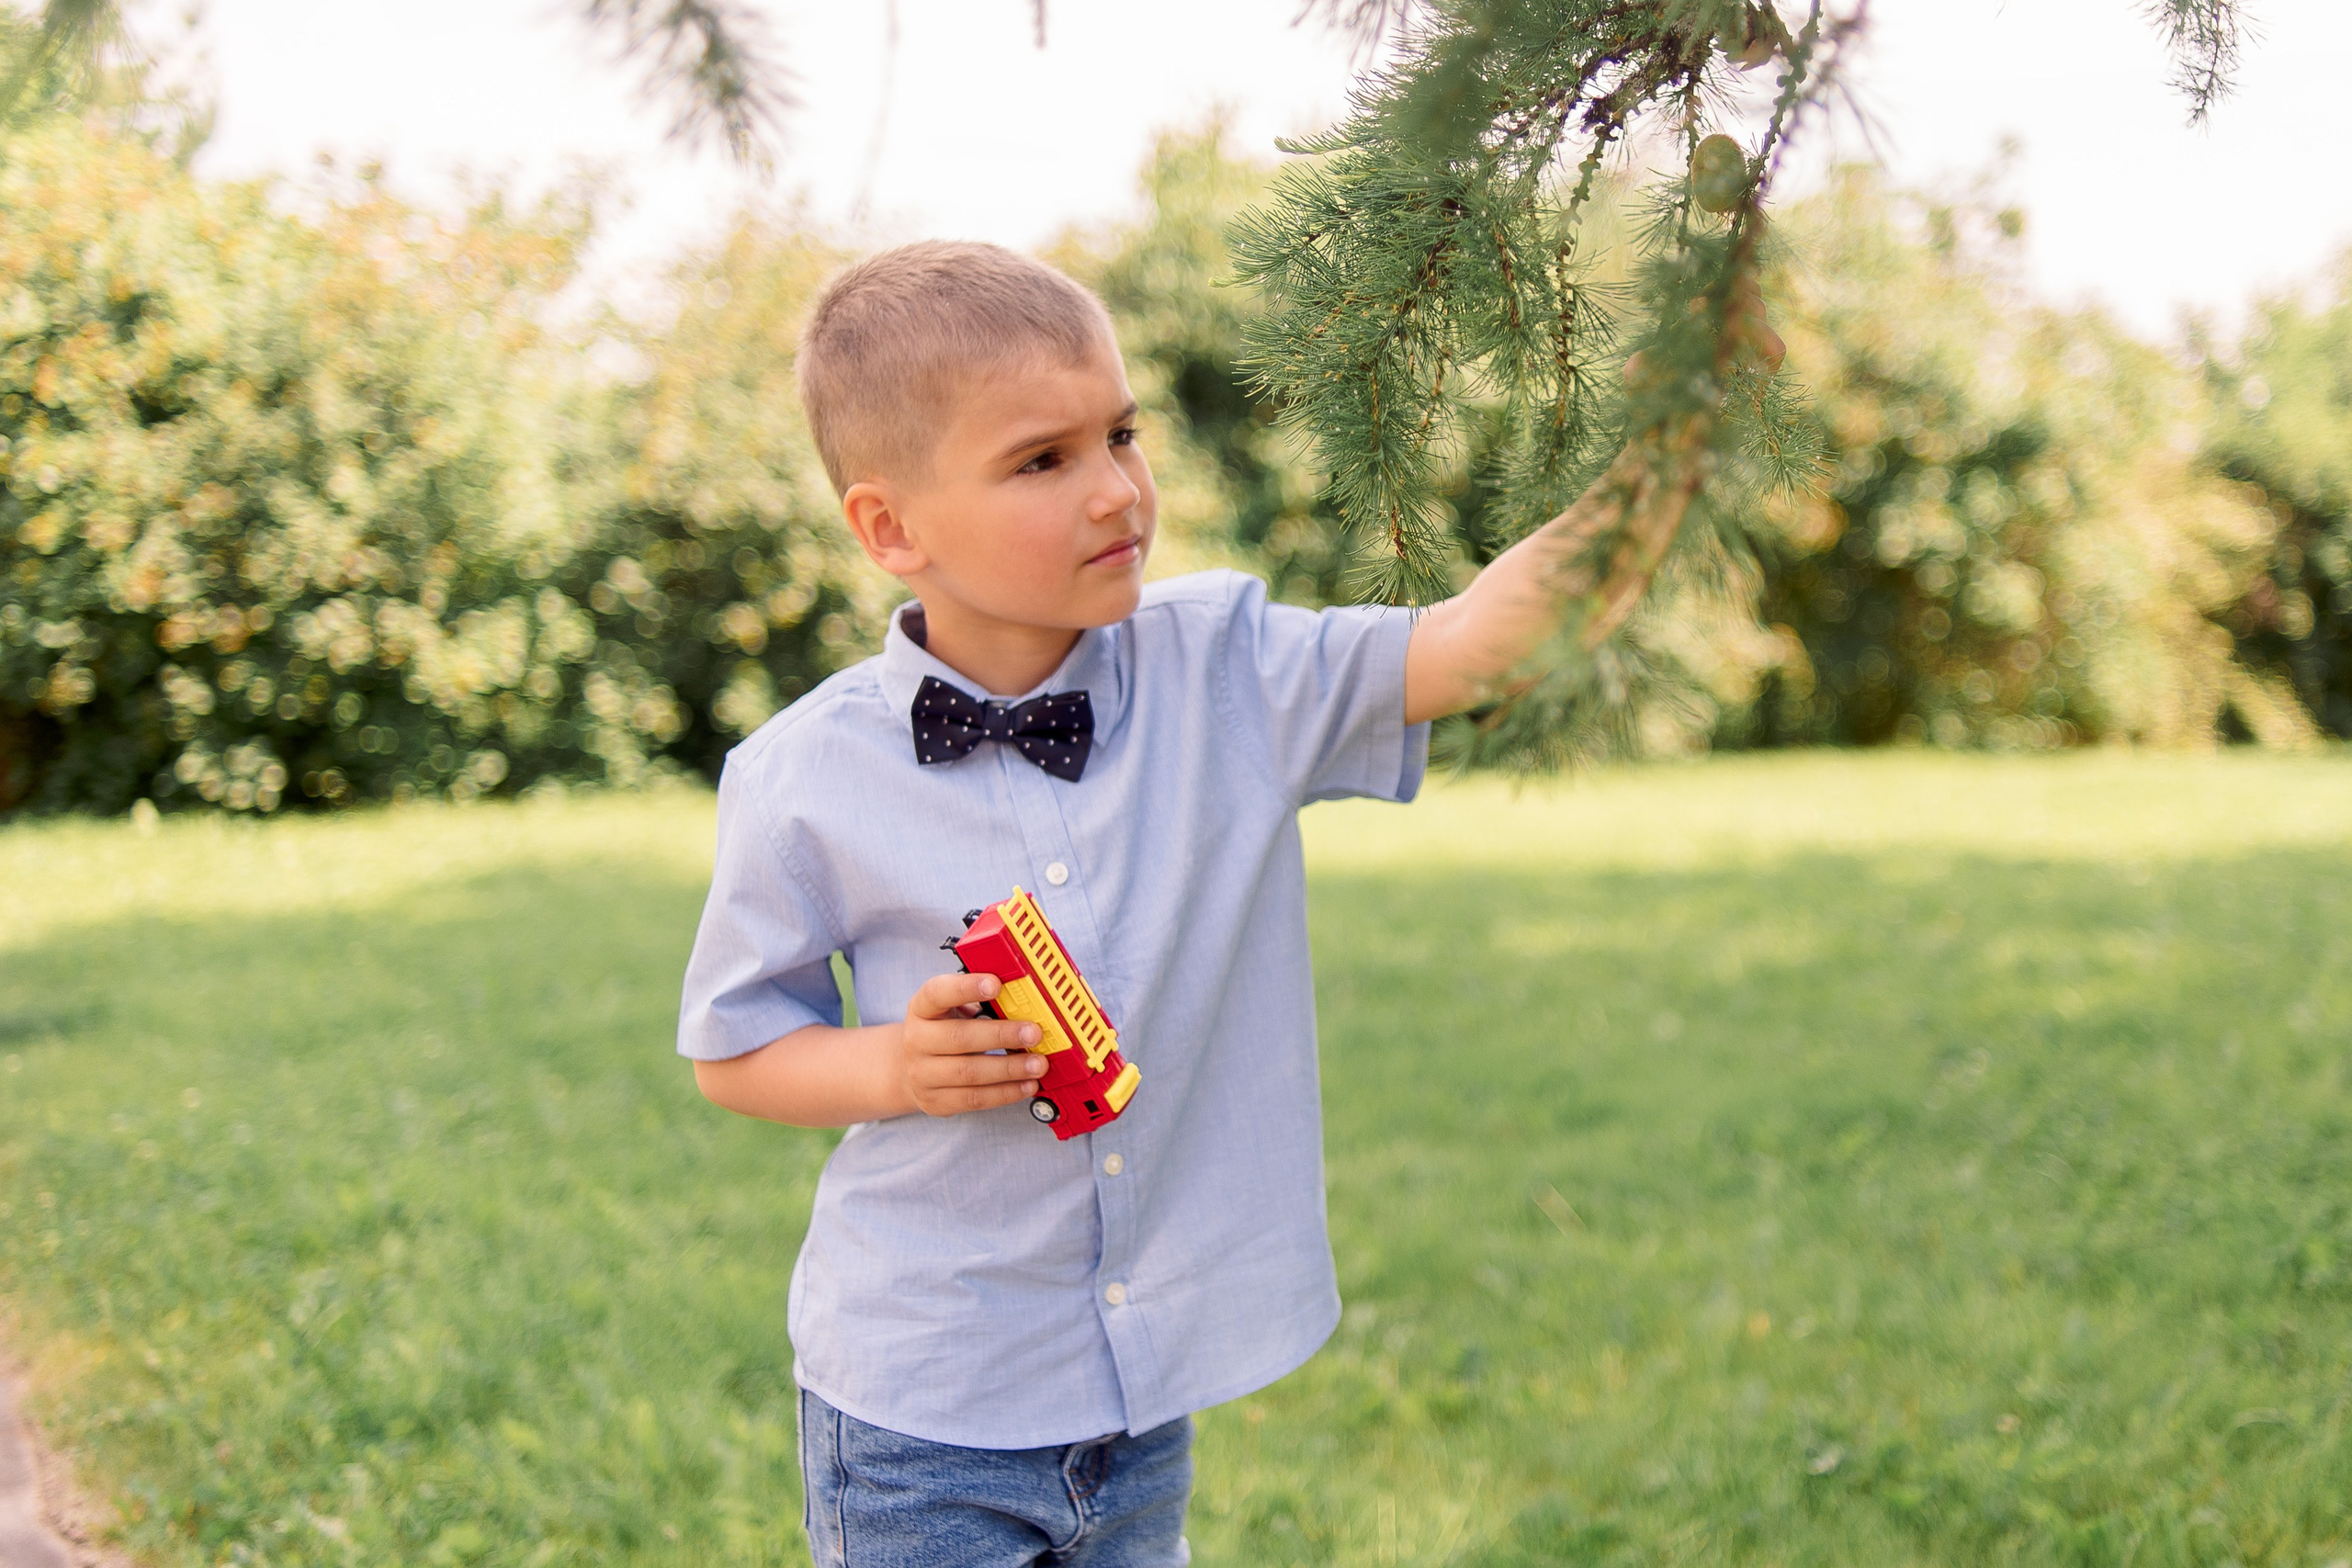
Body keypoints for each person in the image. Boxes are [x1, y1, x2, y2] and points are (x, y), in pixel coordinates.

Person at [677, 239, 1777, 1565]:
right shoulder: (802, 775)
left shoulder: (1230, 671)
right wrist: (896, 1063)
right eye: (1043, 460)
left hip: (1140, 1406)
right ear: (891, 527)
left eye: (1120, 435)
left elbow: (1487, 637)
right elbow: (736, 1054)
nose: (1115, 491)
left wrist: (1667, 455)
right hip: (923, 1405)